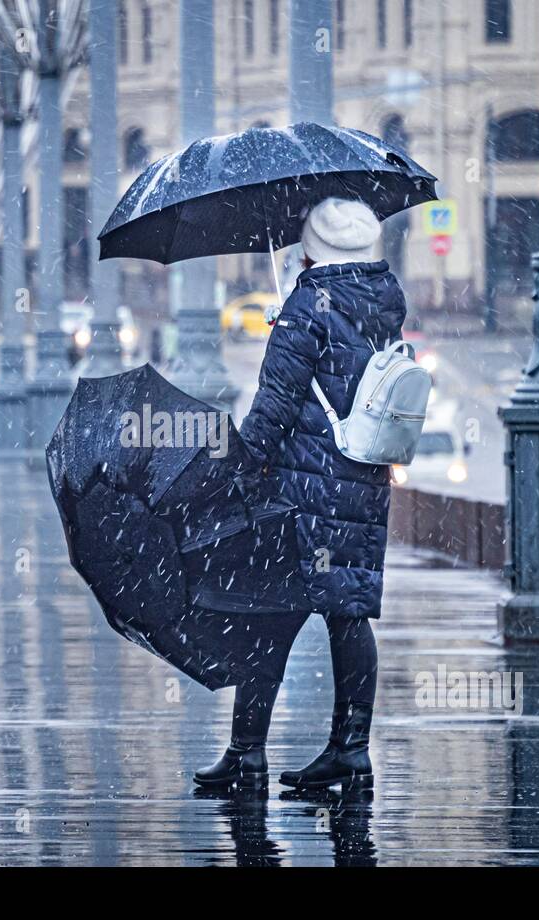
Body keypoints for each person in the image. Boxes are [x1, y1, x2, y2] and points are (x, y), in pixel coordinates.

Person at [194, 196, 405, 793]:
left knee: (267, 617)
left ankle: (246, 753)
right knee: (349, 615)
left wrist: (238, 471)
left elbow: (274, 408)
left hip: (298, 489)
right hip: (362, 479)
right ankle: (351, 748)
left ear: (312, 247)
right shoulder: (384, 300)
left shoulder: (306, 305)